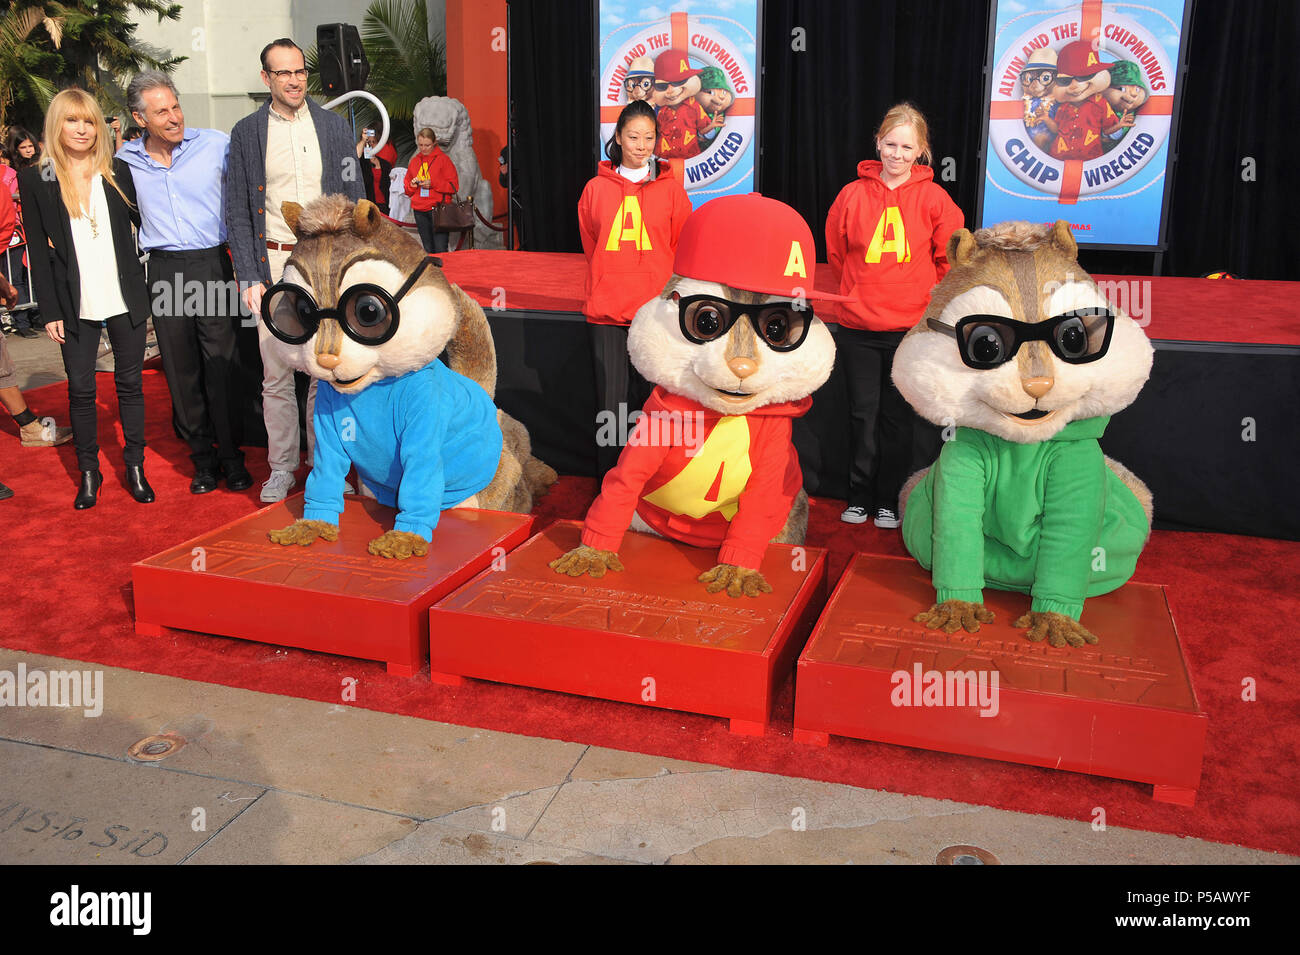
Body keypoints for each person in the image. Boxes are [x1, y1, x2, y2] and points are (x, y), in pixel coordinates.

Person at [227, 37, 366, 503]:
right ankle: (282, 467)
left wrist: (353, 263)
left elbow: (354, 197)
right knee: (277, 375)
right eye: (282, 72)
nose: (294, 79)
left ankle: (326, 465)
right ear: (266, 78)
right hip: (275, 264)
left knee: (325, 371)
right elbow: (237, 211)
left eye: (299, 70)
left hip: (326, 266)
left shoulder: (333, 127)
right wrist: (250, 276)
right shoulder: (247, 133)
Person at [825, 102, 964, 529]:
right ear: (877, 143)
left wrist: (925, 305)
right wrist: (856, 291)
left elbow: (951, 258)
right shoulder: (851, 194)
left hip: (909, 331)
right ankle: (860, 495)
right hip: (859, 326)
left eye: (907, 147)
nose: (897, 154)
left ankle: (889, 500)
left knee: (897, 420)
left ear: (921, 150)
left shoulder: (935, 198)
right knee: (861, 415)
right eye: (890, 144)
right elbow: (835, 252)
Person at [18, 89, 154, 509]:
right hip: (73, 300)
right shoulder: (38, 178)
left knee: (130, 385)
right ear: (56, 126)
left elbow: (148, 220)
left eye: (89, 121)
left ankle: (135, 466)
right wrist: (50, 310)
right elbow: (38, 252)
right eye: (72, 121)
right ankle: (89, 473)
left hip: (124, 292)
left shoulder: (116, 169)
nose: (81, 129)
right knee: (79, 389)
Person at [118, 70, 251, 495]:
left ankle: (232, 456)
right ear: (140, 119)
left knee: (221, 364)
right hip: (165, 269)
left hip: (212, 263)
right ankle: (203, 460)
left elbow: (249, 192)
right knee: (181, 369)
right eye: (162, 111)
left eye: (175, 106)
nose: (174, 117)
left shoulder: (215, 145)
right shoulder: (125, 162)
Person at [577, 99, 692, 478]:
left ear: (658, 140)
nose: (641, 145)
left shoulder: (672, 191)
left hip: (654, 313)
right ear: (618, 138)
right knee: (610, 407)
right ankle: (609, 487)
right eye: (633, 137)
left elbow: (681, 246)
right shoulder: (595, 188)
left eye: (648, 137)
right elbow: (591, 244)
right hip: (607, 310)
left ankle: (648, 485)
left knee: (652, 404)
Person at [403, 126, 458, 254]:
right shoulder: (414, 161)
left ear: (434, 143)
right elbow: (407, 190)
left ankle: (444, 273)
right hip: (419, 210)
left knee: (440, 249)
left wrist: (433, 184)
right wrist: (412, 185)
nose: (423, 148)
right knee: (427, 249)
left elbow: (454, 186)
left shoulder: (443, 160)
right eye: (420, 145)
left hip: (438, 210)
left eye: (427, 145)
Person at [357, 126, 395, 214]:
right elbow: (356, 154)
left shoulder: (385, 164)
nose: (370, 145)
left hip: (384, 205)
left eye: (373, 142)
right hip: (368, 205)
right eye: (368, 142)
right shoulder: (361, 162)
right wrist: (363, 140)